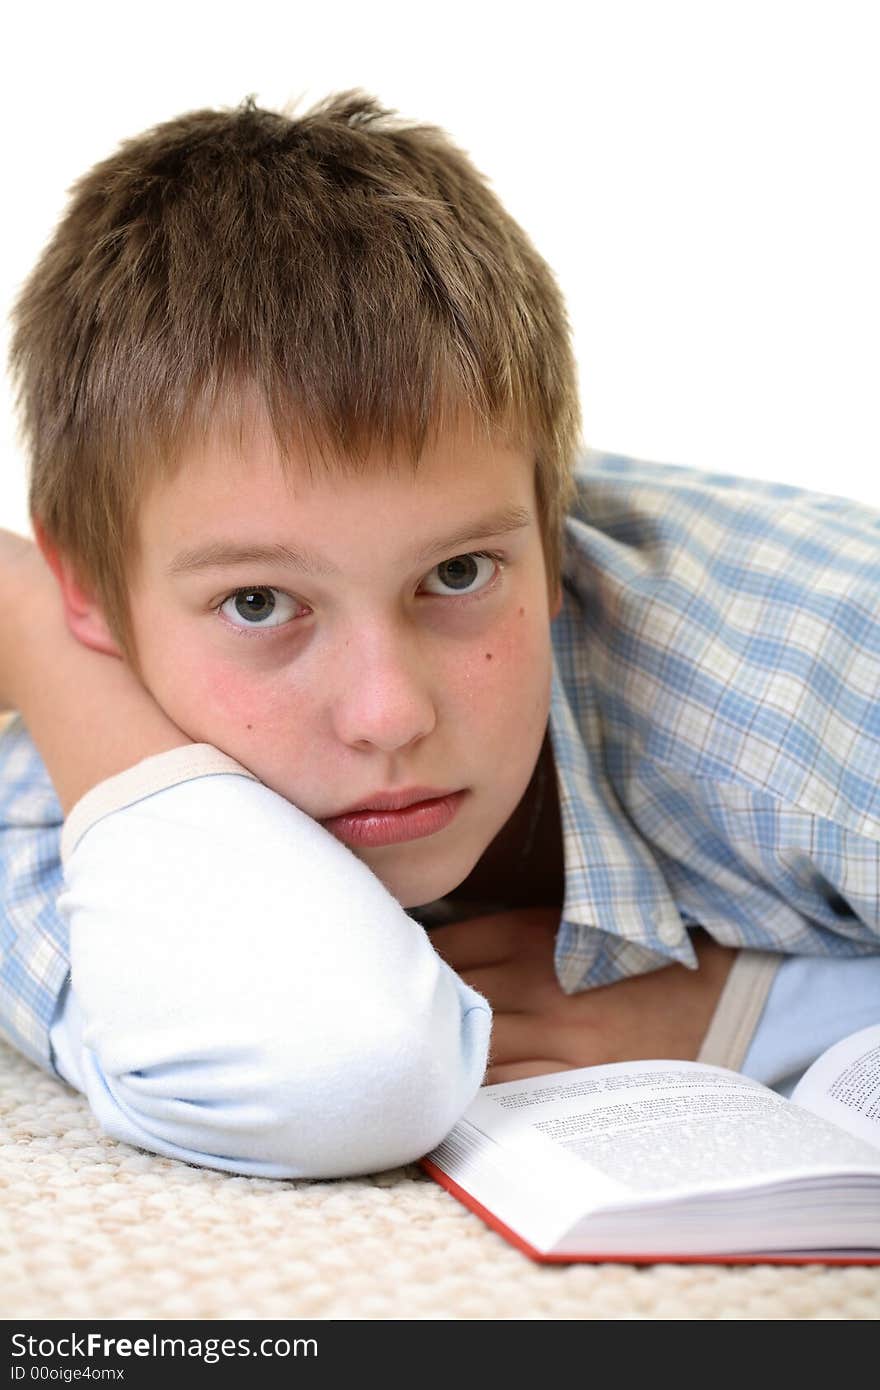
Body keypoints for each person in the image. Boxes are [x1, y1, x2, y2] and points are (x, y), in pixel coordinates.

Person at [1, 94, 878, 1180]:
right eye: (259, 604)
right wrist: (27, 610)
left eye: (456, 574)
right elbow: (333, 1072)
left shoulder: (805, 677)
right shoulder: (65, 789)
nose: (389, 713)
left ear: (551, 543)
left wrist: (752, 1009)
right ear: (94, 588)